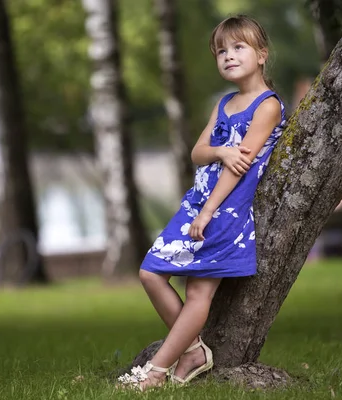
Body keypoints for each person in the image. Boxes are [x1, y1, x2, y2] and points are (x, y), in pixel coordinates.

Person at [117, 14, 286, 391]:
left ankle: (154, 373)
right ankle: (192, 350)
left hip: (225, 212)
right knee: (150, 273)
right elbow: (197, 153)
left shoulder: (267, 106)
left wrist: (210, 210)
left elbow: (240, 167)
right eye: (221, 51)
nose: (228, 56)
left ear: (261, 55)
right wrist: (220, 152)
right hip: (195, 205)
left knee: (198, 292)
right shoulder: (225, 103)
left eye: (238, 47)